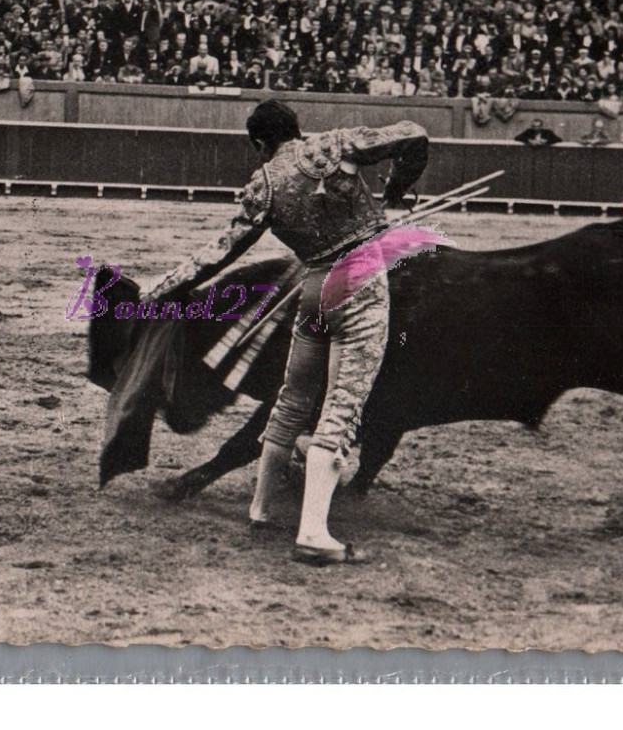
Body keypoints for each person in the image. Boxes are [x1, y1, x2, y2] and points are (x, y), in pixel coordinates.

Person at [140, 100, 429, 566]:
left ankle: (260, 509)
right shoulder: (335, 145)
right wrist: (395, 189)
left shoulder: (263, 187)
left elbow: (215, 256)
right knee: (341, 407)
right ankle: (313, 533)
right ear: (298, 128)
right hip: (360, 286)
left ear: (260, 144)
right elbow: (414, 133)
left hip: (312, 288)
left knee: (293, 399)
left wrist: (157, 290)